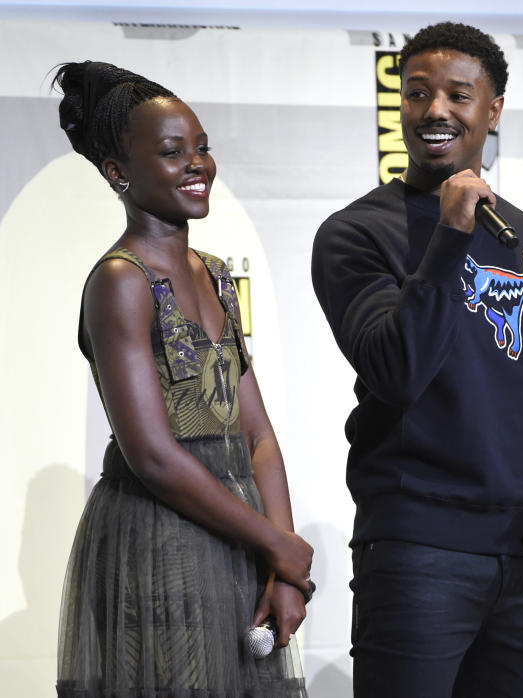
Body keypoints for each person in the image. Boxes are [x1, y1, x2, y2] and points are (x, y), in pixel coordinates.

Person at [311, 21, 523, 698]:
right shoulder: (355, 235)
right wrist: (449, 237)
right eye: (417, 94)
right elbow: (396, 369)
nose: (435, 111)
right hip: (417, 550)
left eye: (457, 94)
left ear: (493, 109)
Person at [53, 61, 312, 697]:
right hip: (160, 541)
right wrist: (277, 546)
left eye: (202, 148)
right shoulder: (119, 281)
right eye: (173, 152)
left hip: (240, 540)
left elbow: (258, 435)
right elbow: (153, 456)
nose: (197, 164)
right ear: (119, 173)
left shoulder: (217, 273)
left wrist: (282, 561)